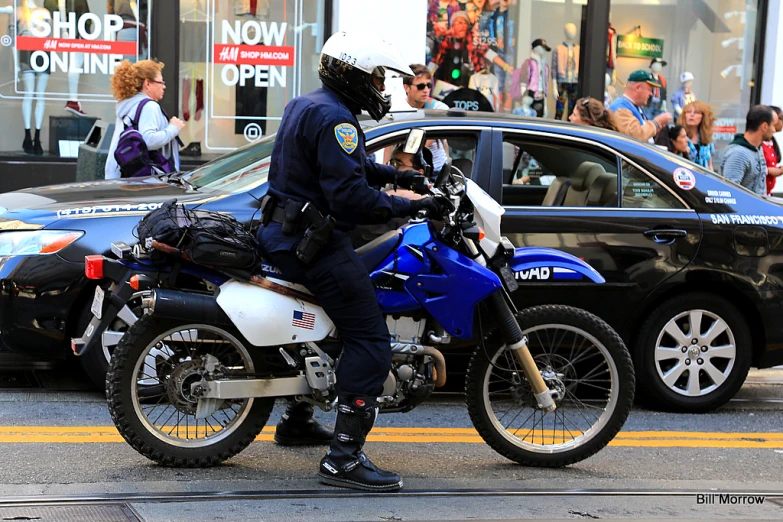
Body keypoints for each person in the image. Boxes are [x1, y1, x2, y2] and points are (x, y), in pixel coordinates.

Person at [257, 32, 444, 493]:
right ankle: (343, 459)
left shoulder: (313, 104)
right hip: (311, 241)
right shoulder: (336, 118)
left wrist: (403, 176)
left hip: (284, 230)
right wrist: (411, 207)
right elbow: (349, 195)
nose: (381, 87)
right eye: (377, 77)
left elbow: (352, 165)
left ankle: (297, 419)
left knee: (335, 326)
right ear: (353, 74)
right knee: (370, 338)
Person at [105, 60, 185, 179]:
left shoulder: (128, 105)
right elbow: (149, 140)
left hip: (121, 173)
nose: (164, 86)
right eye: (160, 82)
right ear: (147, 84)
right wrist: (173, 128)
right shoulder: (149, 106)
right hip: (141, 179)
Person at [403, 64, 449, 173]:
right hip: (408, 170)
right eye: (420, 86)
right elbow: (390, 145)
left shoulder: (438, 108)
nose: (426, 90)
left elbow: (424, 145)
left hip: (436, 170)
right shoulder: (400, 109)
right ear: (406, 87)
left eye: (428, 85)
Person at [721, 105, 777, 195]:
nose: (774, 130)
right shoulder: (738, 154)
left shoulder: (758, 149)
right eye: (774, 125)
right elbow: (729, 194)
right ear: (765, 126)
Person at [608, 70, 672, 143]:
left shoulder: (633, 106)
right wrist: (656, 122)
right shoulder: (620, 108)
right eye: (649, 89)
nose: (651, 94)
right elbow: (636, 136)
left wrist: (655, 129)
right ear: (638, 88)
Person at [677, 101, 715, 171]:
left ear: (703, 117)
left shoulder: (707, 140)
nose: (691, 115)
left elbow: (710, 166)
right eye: (688, 112)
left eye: (696, 112)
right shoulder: (678, 137)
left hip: (704, 179)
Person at [763, 105, 783, 195]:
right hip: (756, 194)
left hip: (768, 193)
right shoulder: (759, 143)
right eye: (781, 118)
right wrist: (768, 171)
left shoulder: (772, 142)